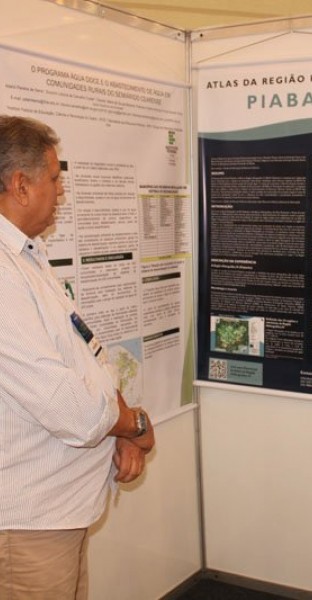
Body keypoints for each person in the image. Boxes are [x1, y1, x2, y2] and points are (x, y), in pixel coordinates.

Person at [0, 115, 155, 599]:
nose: (60, 192)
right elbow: (69, 406)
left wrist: (121, 428)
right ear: (21, 185)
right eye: (54, 178)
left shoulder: (27, 256)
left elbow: (88, 354)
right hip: (27, 526)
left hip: (57, 515)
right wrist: (134, 427)